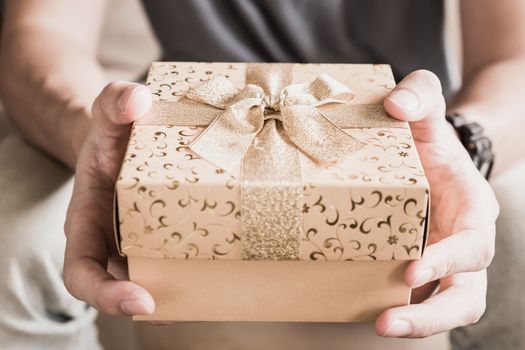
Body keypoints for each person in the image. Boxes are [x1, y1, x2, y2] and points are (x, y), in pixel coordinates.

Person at [0, 0, 523, 349]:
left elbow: (514, 57)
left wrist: (462, 143)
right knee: (13, 243)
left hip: (410, 118)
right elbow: (41, 31)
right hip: (182, 111)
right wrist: (98, 138)